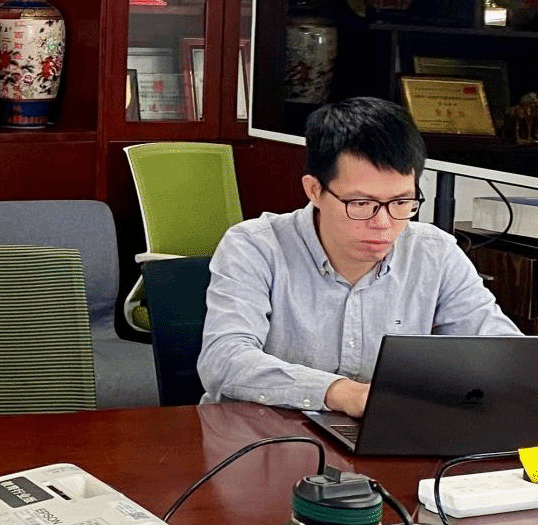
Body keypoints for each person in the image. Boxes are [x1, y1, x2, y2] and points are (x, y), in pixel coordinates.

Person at [197, 96, 520, 418]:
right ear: (314, 190)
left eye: (401, 202)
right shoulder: (255, 246)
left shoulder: (435, 252)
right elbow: (224, 360)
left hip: (389, 431)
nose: (383, 224)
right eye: (361, 204)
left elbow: (503, 356)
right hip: (263, 432)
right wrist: (341, 393)